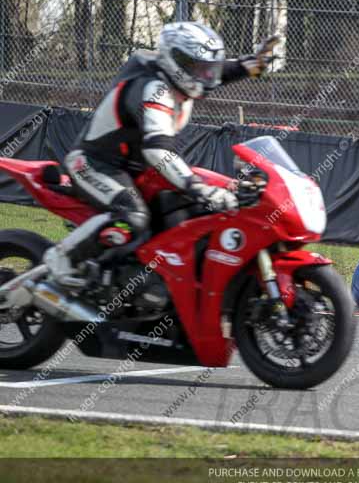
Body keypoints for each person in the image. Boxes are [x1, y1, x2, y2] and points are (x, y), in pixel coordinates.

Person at [44, 21, 275, 287]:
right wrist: (197, 186)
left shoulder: (187, 75)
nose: (208, 75)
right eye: (200, 67)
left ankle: (135, 282)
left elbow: (219, 70)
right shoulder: (155, 89)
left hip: (135, 170)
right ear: (177, 62)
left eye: (207, 68)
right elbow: (157, 150)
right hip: (95, 163)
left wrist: (253, 64)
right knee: (134, 216)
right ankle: (61, 258)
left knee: (184, 213)